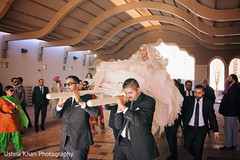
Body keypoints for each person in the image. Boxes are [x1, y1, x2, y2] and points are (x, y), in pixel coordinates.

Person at [93, 44, 183, 133]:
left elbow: (157, 71)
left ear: (148, 51)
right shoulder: (137, 60)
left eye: (144, 50)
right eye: (140, 50)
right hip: (137, 79)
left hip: (147, 78)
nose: (141, 52)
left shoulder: (152, 61)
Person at [52, 75, 100, 160]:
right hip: (65, 141)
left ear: (78, 85)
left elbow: (96, 113)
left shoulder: (86, 96)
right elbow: (55, 116)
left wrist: (80, 101)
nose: (67, 86)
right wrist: (60, 104)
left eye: (69, 84)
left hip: (80, 141)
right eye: (66, 84)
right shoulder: (66, 98)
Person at [113, 78, 159, 160]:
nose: (128, 96)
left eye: (130, 92)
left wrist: (123, 107)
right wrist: (119, 108)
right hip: (121, 143)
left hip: (138, 144)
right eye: (126, 93)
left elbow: (139, 121)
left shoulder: (149, 101)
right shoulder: (127, 101)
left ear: (138, 90)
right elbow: (118, 125)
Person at [182, 85, 219, 160]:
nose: (197, 94)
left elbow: (212, 117)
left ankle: (197, 156)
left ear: (203, 93)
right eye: (195, 92)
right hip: (189, 128)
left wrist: (216, 131)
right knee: (187, 145)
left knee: (199, 149)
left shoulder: (208, 102)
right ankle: (196, 154)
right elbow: (183, 112)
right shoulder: (189, 100)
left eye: (199, 93)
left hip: (201, 130)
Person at [0, 86, 28, 154]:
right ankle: (3, 150)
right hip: (4, 121)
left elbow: (18, 108)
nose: (13, 92)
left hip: (13, 120)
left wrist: (13, 111)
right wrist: (6, 114)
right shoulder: (1, 99)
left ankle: (19, 150)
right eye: (11, 90)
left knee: (17, 135)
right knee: (4, 136)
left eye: (13, 91)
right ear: (6, 91)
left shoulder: (15, 99)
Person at [219, 74, 240, 151]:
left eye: (229, 78)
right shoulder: (234, 87)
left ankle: (228, 145)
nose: (227, 79)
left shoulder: (233, 88)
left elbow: (231, 101)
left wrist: (225, 110)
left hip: (230, 112)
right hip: (234, 113)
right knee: (234, 129)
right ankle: (233, 144)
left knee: (228, 129)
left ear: (233, 79)